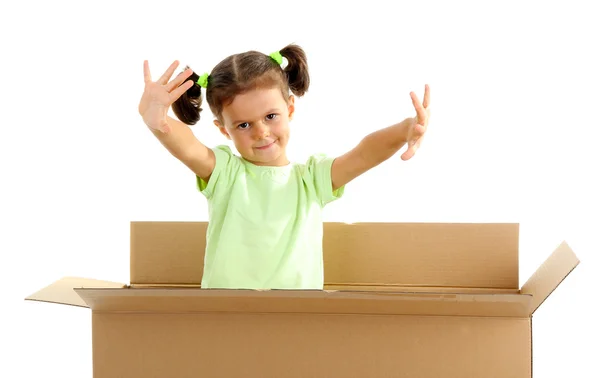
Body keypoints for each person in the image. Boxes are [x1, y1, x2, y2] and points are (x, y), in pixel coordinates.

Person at [138, 43, 430, 290]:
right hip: (226, 320)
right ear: (224, 130)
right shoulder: (226, 174)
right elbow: (190, 149)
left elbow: (364, 153)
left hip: (296, 321)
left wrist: (405, 128)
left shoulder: (311, 180)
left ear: (290, 108)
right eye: (243, 124)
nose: (261, 132)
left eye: (270, 116)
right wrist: (157, 122)